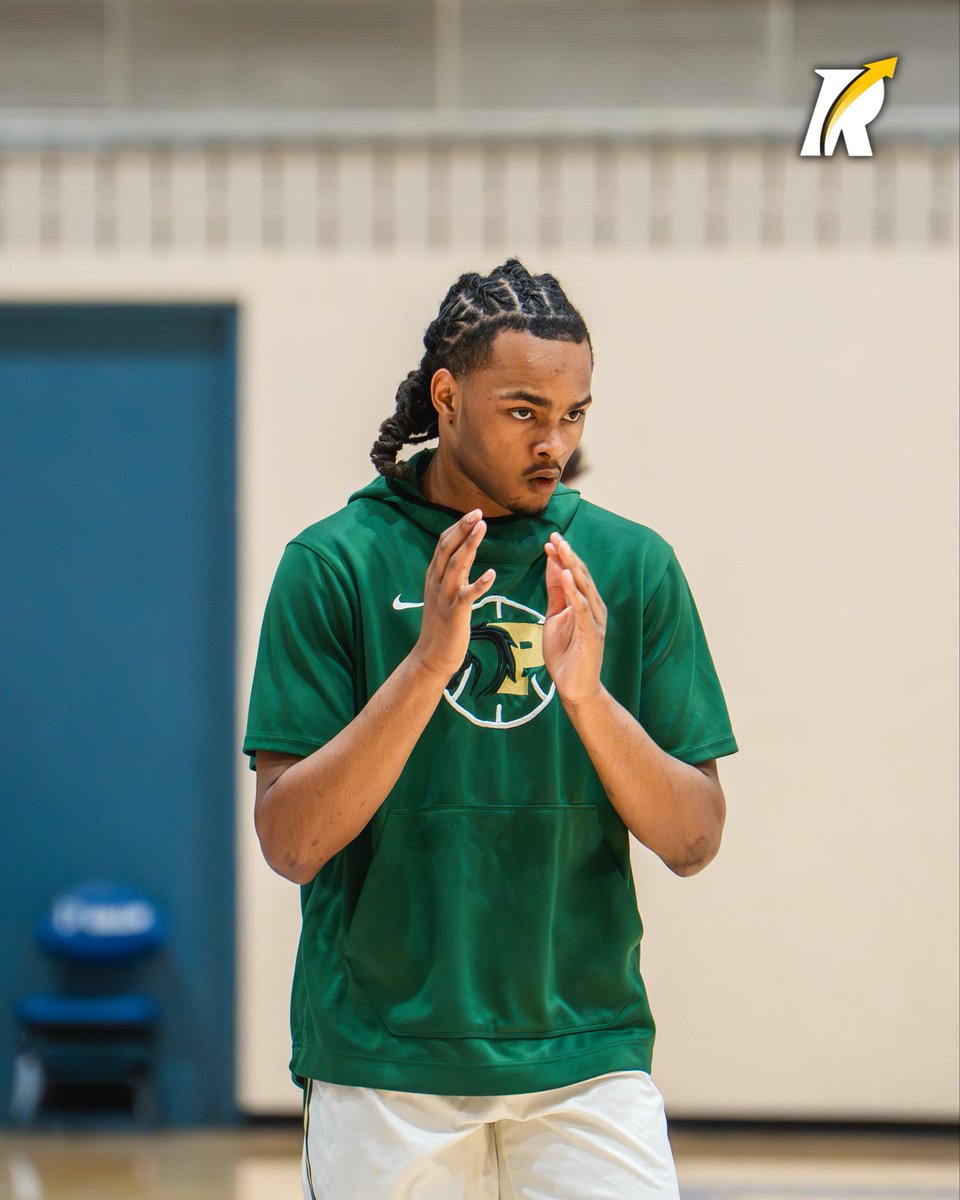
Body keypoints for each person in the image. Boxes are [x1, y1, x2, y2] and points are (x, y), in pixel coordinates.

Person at [244, 259, 738, 1199]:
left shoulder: (630, 567)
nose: (555, 442)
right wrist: (428, 664)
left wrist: (589, 697)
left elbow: (694, 838)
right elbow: (291, 839)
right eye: (524, 411)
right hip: (384, 1062)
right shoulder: (332, 565)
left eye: (575, 413)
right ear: (447, 395)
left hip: (587, 1058)